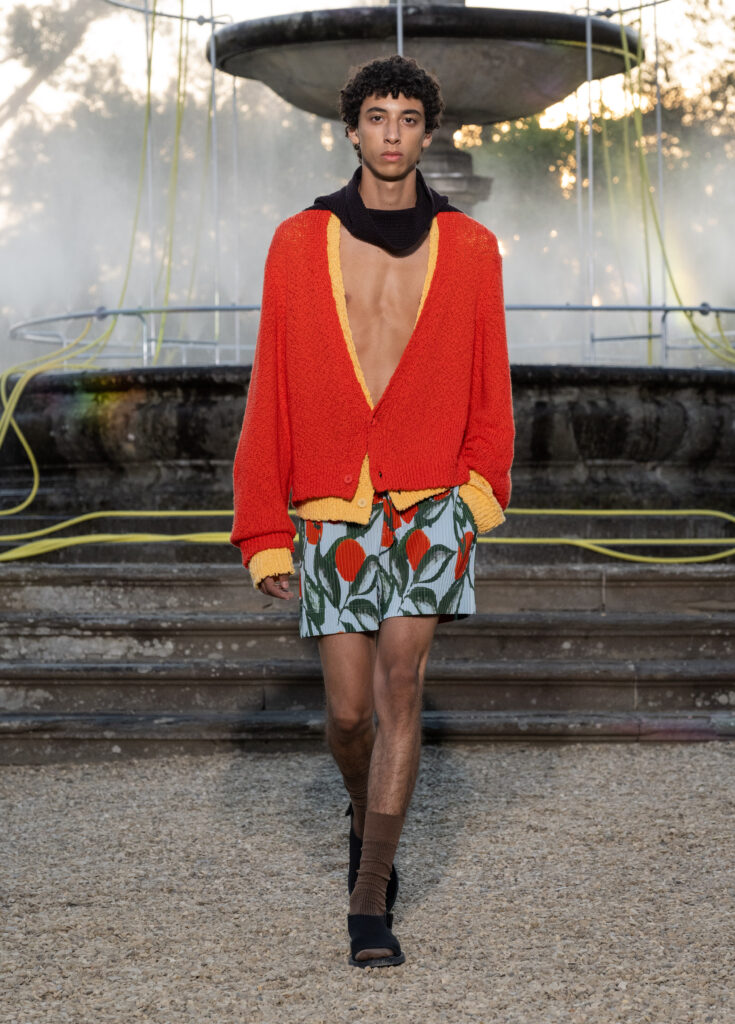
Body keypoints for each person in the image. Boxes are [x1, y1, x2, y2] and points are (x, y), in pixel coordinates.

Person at [230, 54, 514, 969]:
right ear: (351, 130)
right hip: (333, 502)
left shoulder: (470, 247)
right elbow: (270, 388)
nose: (392, 133)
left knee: (400, 687)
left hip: (431, 500)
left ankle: (369, 896)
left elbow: (491, 380)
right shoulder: (296, 242)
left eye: (408, 118)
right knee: (349, 715)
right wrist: (263, 529)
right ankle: (366, 819)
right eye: (378, 117)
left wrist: (478, 487)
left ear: (427, 134)